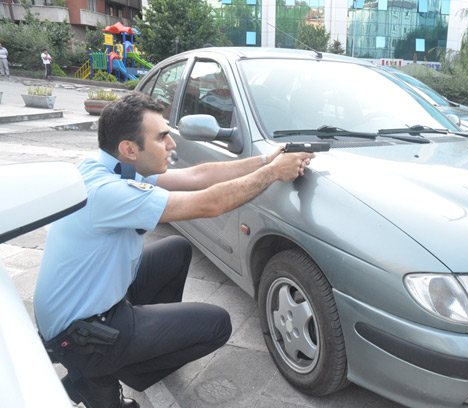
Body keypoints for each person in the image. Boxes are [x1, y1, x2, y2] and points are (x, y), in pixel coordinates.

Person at [34, 91, 315, 408]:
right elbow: (211, 203)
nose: (172, 144)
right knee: (216, 325)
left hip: (83, 307)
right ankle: (98, 374)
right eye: (162, 137)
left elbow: (198, 176)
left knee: (176, 249)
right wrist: (274, 173)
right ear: (129, 149)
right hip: (82, 333)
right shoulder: (109, 192)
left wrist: (266, 160)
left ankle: (129, 350)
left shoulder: (105, 166)